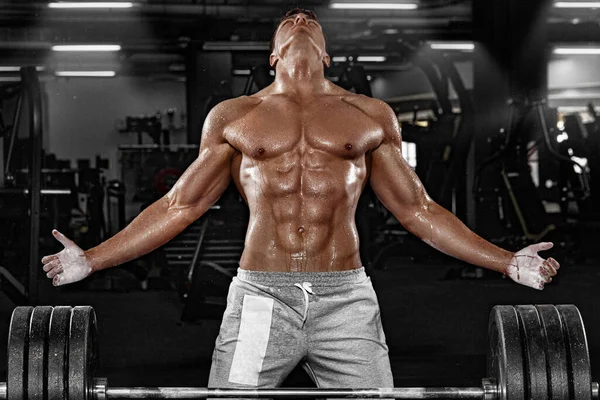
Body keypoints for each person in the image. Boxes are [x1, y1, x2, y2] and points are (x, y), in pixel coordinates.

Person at [42, 8, 559, 390]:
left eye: (309, 19)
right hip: (262, 298)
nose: (299, 17)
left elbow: (417, 210)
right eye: (288, 21)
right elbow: (181, 204)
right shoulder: (234, 116)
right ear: (273, 54)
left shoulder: (371, 115)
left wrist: (508, 262)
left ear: (327, 53)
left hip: (346, 302)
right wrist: (90, 260)